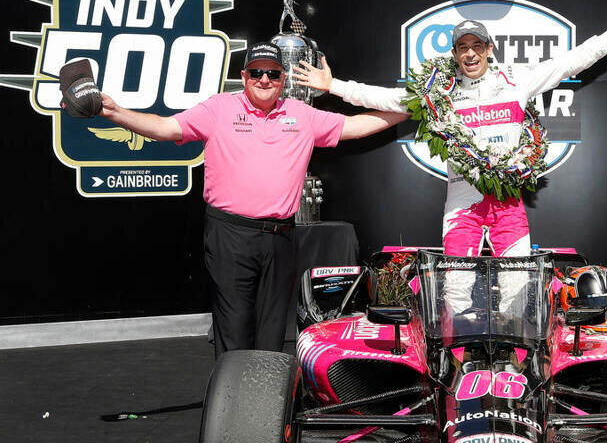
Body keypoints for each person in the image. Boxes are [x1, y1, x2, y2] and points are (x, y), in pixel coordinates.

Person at [293, 3, 607, 313]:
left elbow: (569, 63)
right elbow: (390, 99)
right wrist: (334, 86)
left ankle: (514, 374)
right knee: (455, 295)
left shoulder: (516, 82)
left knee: (517, 294)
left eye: (476, 45)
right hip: (462, 207)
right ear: (454, 54)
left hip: (507, 206)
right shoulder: (440, 93)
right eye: (462, 47)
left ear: (488, 48)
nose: (469, 53)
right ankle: (457, 373)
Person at [97, 42, 407, 356]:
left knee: (272, 333)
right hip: (229, 235)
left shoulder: (301, 114)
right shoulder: (218, 109)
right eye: (256, 72)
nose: (264, 80)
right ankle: (232, 402)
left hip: (280, 238)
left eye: (272, 74)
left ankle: (267, 400)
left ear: (283, 79)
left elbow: (356, 127)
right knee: (233, 329)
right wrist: (114, 112)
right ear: (244, 76)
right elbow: (165, 127)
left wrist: (411, 109)